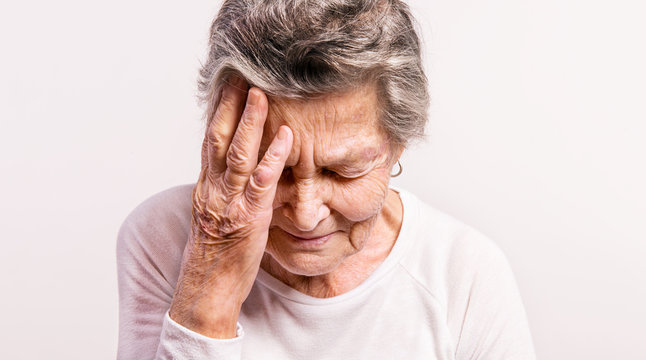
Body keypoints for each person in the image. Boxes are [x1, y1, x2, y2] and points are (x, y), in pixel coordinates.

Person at [116, 0, 536, 359]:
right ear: (225, 142)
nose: (305, 215)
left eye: (340, 171)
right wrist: (208, 292)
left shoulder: (465, 274)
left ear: (396, 146)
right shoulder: (163, 240)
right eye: (272, 172)